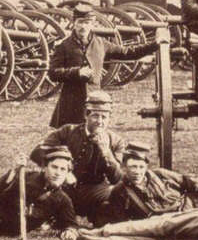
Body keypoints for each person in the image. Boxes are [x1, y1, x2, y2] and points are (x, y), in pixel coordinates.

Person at [46, 2, 156, 128]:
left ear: (92, 24)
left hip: (94, 103)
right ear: (74, 23)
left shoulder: (100, 43)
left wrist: (154, 45)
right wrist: (76, 72)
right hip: (71, 105)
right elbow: (53, 73)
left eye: (86, 23)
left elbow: (128, 52)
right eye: (80, 22)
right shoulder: (63, 46)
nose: (83, 26)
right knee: (70, 141)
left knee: (95, 137)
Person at [34, 89, 128, 224]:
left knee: (115, 197)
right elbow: (38, 151)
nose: (100, 121)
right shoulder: (67, 131)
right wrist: (64, 171)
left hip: (95, 190)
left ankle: (93, 218)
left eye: (104, 117)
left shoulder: (116, 141)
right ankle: (56, 218)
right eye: (95, 116)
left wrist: (106, 152)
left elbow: (117, 178)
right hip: (64, 186)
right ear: (86, 115)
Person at [0, 147, 80, 239]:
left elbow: (71, 223)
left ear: (68, 173)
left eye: (63, 169)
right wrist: (14, 171)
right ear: (44, 167)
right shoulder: (24, 177)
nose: (58, 173)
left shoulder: (62, 200)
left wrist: (70, 231)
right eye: (54, 167)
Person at [103, 142, 198, 222]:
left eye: (141, 167)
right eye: (133, 167)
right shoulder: (119, 192)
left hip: (190, 206)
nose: (137, 171)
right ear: (124, 167)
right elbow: (121, 221)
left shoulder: (160, 175)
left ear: (146, 166)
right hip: (167, 223)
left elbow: (189, 181)